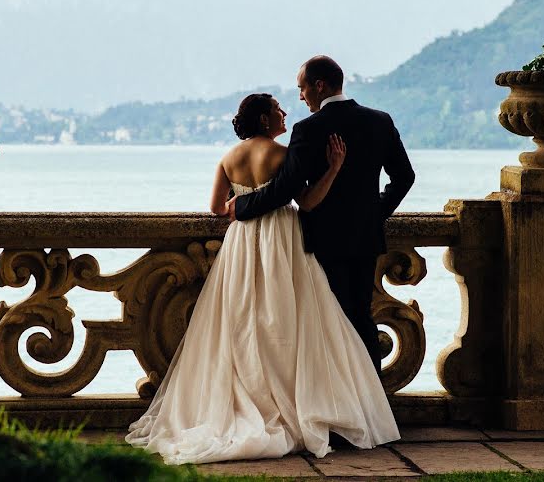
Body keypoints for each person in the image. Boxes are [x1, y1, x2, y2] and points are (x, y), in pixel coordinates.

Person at [126, 93, 400, 464]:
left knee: (241, 320)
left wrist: (240, 205)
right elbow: (307, 202)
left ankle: (248, 399)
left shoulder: (228, 158)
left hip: (241, 240)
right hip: (281, 239)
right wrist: (333, 169)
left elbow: (216, 207)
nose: (284, 112)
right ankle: (293, 398)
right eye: (277, 110)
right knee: (286, 317)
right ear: (264, 120)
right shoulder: (285, 154)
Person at [229, 56, 415, 372]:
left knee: (328, 323)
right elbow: (404, 177)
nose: (300, 96)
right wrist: (373, 214)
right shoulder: (379, 121)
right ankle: (371, 403)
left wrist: (241, 206)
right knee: (361, 317)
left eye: (302, 88)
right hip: (364, 238)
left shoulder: (309, 129)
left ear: (319, 85)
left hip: (322, 241)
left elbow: (285, 188)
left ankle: (337, 403)